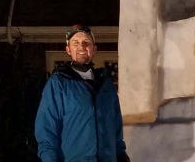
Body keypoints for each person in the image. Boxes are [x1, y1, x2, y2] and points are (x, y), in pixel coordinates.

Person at [35, 25, 130, 162]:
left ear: (94, 49)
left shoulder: (105, 85)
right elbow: (47, 131)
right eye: (76, 43)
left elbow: (116, 129)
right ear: (68, 49)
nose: (81, 46)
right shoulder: (59, 83)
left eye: (86, 42)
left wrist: (121, 156)